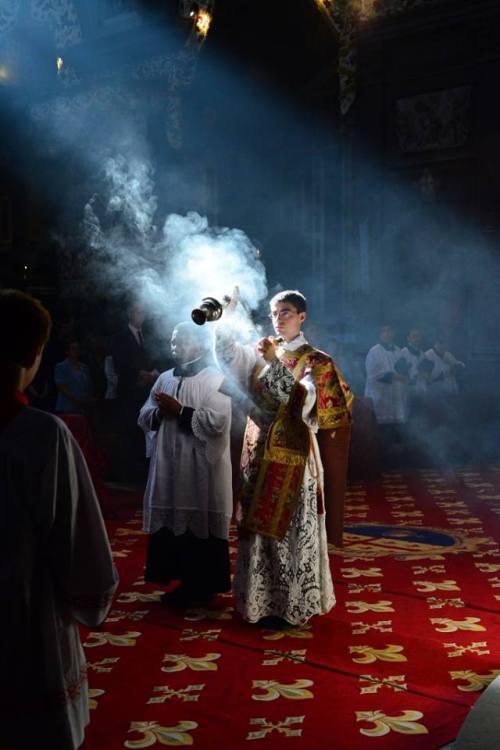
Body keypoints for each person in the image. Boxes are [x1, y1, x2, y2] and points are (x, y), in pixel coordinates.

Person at [0, 289, 118, 750]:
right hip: (22, 616)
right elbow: (79, 544)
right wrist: (92, 598)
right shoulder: (41, 434)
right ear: (34, 353)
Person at [215, 289, 352, 626]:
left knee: (290, 533)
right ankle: (260, 604)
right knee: (257, 531)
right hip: (258, 453)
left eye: (286, 312)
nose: (278, 319)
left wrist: (275, 363)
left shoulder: (317, 361)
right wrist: (225, 316)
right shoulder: (260, 352)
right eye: (274, 313)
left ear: (302, 316)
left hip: (293, 459)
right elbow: (227, 356)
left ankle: (291, 606)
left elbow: (301, 405)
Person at [138, 321, 232, 606]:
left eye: (181, 340)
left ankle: (202, 586)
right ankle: (179, 580)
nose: (174, 345)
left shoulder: (215, 377)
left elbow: (218, 421)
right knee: (172, 522)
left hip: (199, 465)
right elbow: (144, 414)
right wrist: (157, 413)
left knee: (198, 521)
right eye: (172, 340)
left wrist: (179, 411)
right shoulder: (165, 377)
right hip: (168, 463)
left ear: (200, 344)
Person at [112, 301, 158, 481]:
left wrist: (153, 372)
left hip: (144, 392)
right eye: (139, 311)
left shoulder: (144, 336)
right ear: (130, 313)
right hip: (128, 392)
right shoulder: (120, 336)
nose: (142, 315)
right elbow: (119, 364)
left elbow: (151, 359)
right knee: (128, 430)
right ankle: (127, 472)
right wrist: (140, 373)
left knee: (143, 429)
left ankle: (141, 471)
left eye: (144, 312)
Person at [365, 324, 408, 464]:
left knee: (396, 431)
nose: (388, 333)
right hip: (380, 397)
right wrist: (396, 376)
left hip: (396, 398)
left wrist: (405, 375)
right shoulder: (374, 351)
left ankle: (396, 462)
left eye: (390, 331)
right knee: (382, 431)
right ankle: (381, 462)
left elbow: (405, 369)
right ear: (380, 334)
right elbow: (374, 374)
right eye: (385, 331)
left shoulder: (399, 351)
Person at [54, 339, 92, 414]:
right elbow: (62, 387)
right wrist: (78, 400)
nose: (76, 350)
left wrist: (87, 400)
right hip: (66, 408)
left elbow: (88, 386)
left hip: (82, 408)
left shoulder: (85, 367)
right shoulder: (61, 366)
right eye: (73, 348)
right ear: (67, 351)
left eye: (77, 348)